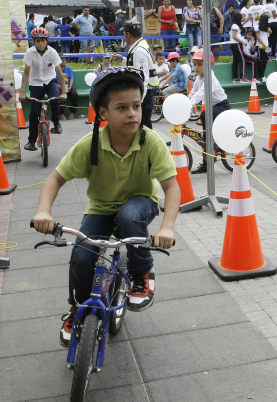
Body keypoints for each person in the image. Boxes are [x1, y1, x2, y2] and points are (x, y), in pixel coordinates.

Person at [32, 67, 180, 348]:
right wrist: (43, 211)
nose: (133, 114)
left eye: (136, 106)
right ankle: (76, 307)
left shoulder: (152, 143)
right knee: (81, 257)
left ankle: (141, 274)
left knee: (129, 216)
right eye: (122, 108)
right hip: (100, 207)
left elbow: (172, 188)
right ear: (103, 114)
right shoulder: (90, 145)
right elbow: (55, 179)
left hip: (140, 201)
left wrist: (167, 227)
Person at [20, 27, 68, 148]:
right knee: (33, 113)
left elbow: (60, 74)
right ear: (34, 42)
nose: (41, 43)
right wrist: (22, 92)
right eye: (38, 41)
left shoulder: (52, 52)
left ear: (47, 41)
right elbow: (26, 73)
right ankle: (31, 141)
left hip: (49, 81)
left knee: (55, 99)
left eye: (43, 40)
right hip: (35, 83)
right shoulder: (30, 53)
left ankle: (56, 122)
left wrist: (64, 92)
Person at [188, 49, 231, 174]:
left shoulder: (210, 79)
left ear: (208, 64)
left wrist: (190, 104)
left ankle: (213, 141)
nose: (196, 67)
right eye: (195, 64)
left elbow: (200, 94)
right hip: (214, 107)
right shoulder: (198, 78)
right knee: (205, 132)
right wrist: (185, 103)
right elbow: (192, 93)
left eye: (200, 64)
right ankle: (206, 163)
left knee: (204, 115)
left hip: (223, 106)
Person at [111, 21, 158, 130]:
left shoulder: (138, 51)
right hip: (144, 96)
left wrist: (138, 101)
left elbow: (142, 78)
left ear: (128, 34)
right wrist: (124, 60)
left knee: (144, 131)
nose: (124, 37)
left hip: (143, 97)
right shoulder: (140, 47)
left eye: (124, 34)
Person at [228, 11, 249, 83]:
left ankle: (235, 77)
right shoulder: (235, 26)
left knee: (236, 61)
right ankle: (242, 77)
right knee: (242, 60)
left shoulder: (233, 25)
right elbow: (234, 36)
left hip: (233, 44)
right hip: (236, 44)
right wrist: (243, 42)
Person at [57, 55, 78, 121]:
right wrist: (60, 87)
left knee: (74, 94)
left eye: (64, 60)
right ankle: (61, 114)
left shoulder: (69, 69)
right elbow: (53, 81)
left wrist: (70, 86)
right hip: (59, 87)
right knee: (55, 95)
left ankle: (72, 112)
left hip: (68, 86)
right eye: (62, 59)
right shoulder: (55, 69)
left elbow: (71, 79)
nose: (63, 61)